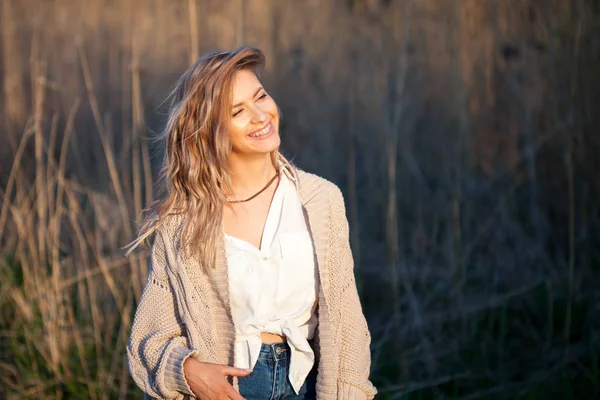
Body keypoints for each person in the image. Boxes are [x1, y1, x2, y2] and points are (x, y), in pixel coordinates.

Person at [126, 46, 377, 400]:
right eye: (238, 111)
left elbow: (347, 320)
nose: (261, 115)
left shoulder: (322, 200)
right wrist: (187, 370)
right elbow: (147, 340)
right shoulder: (182, 221)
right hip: (229, 389)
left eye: (261, 96)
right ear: (210, 131)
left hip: (309, 383)